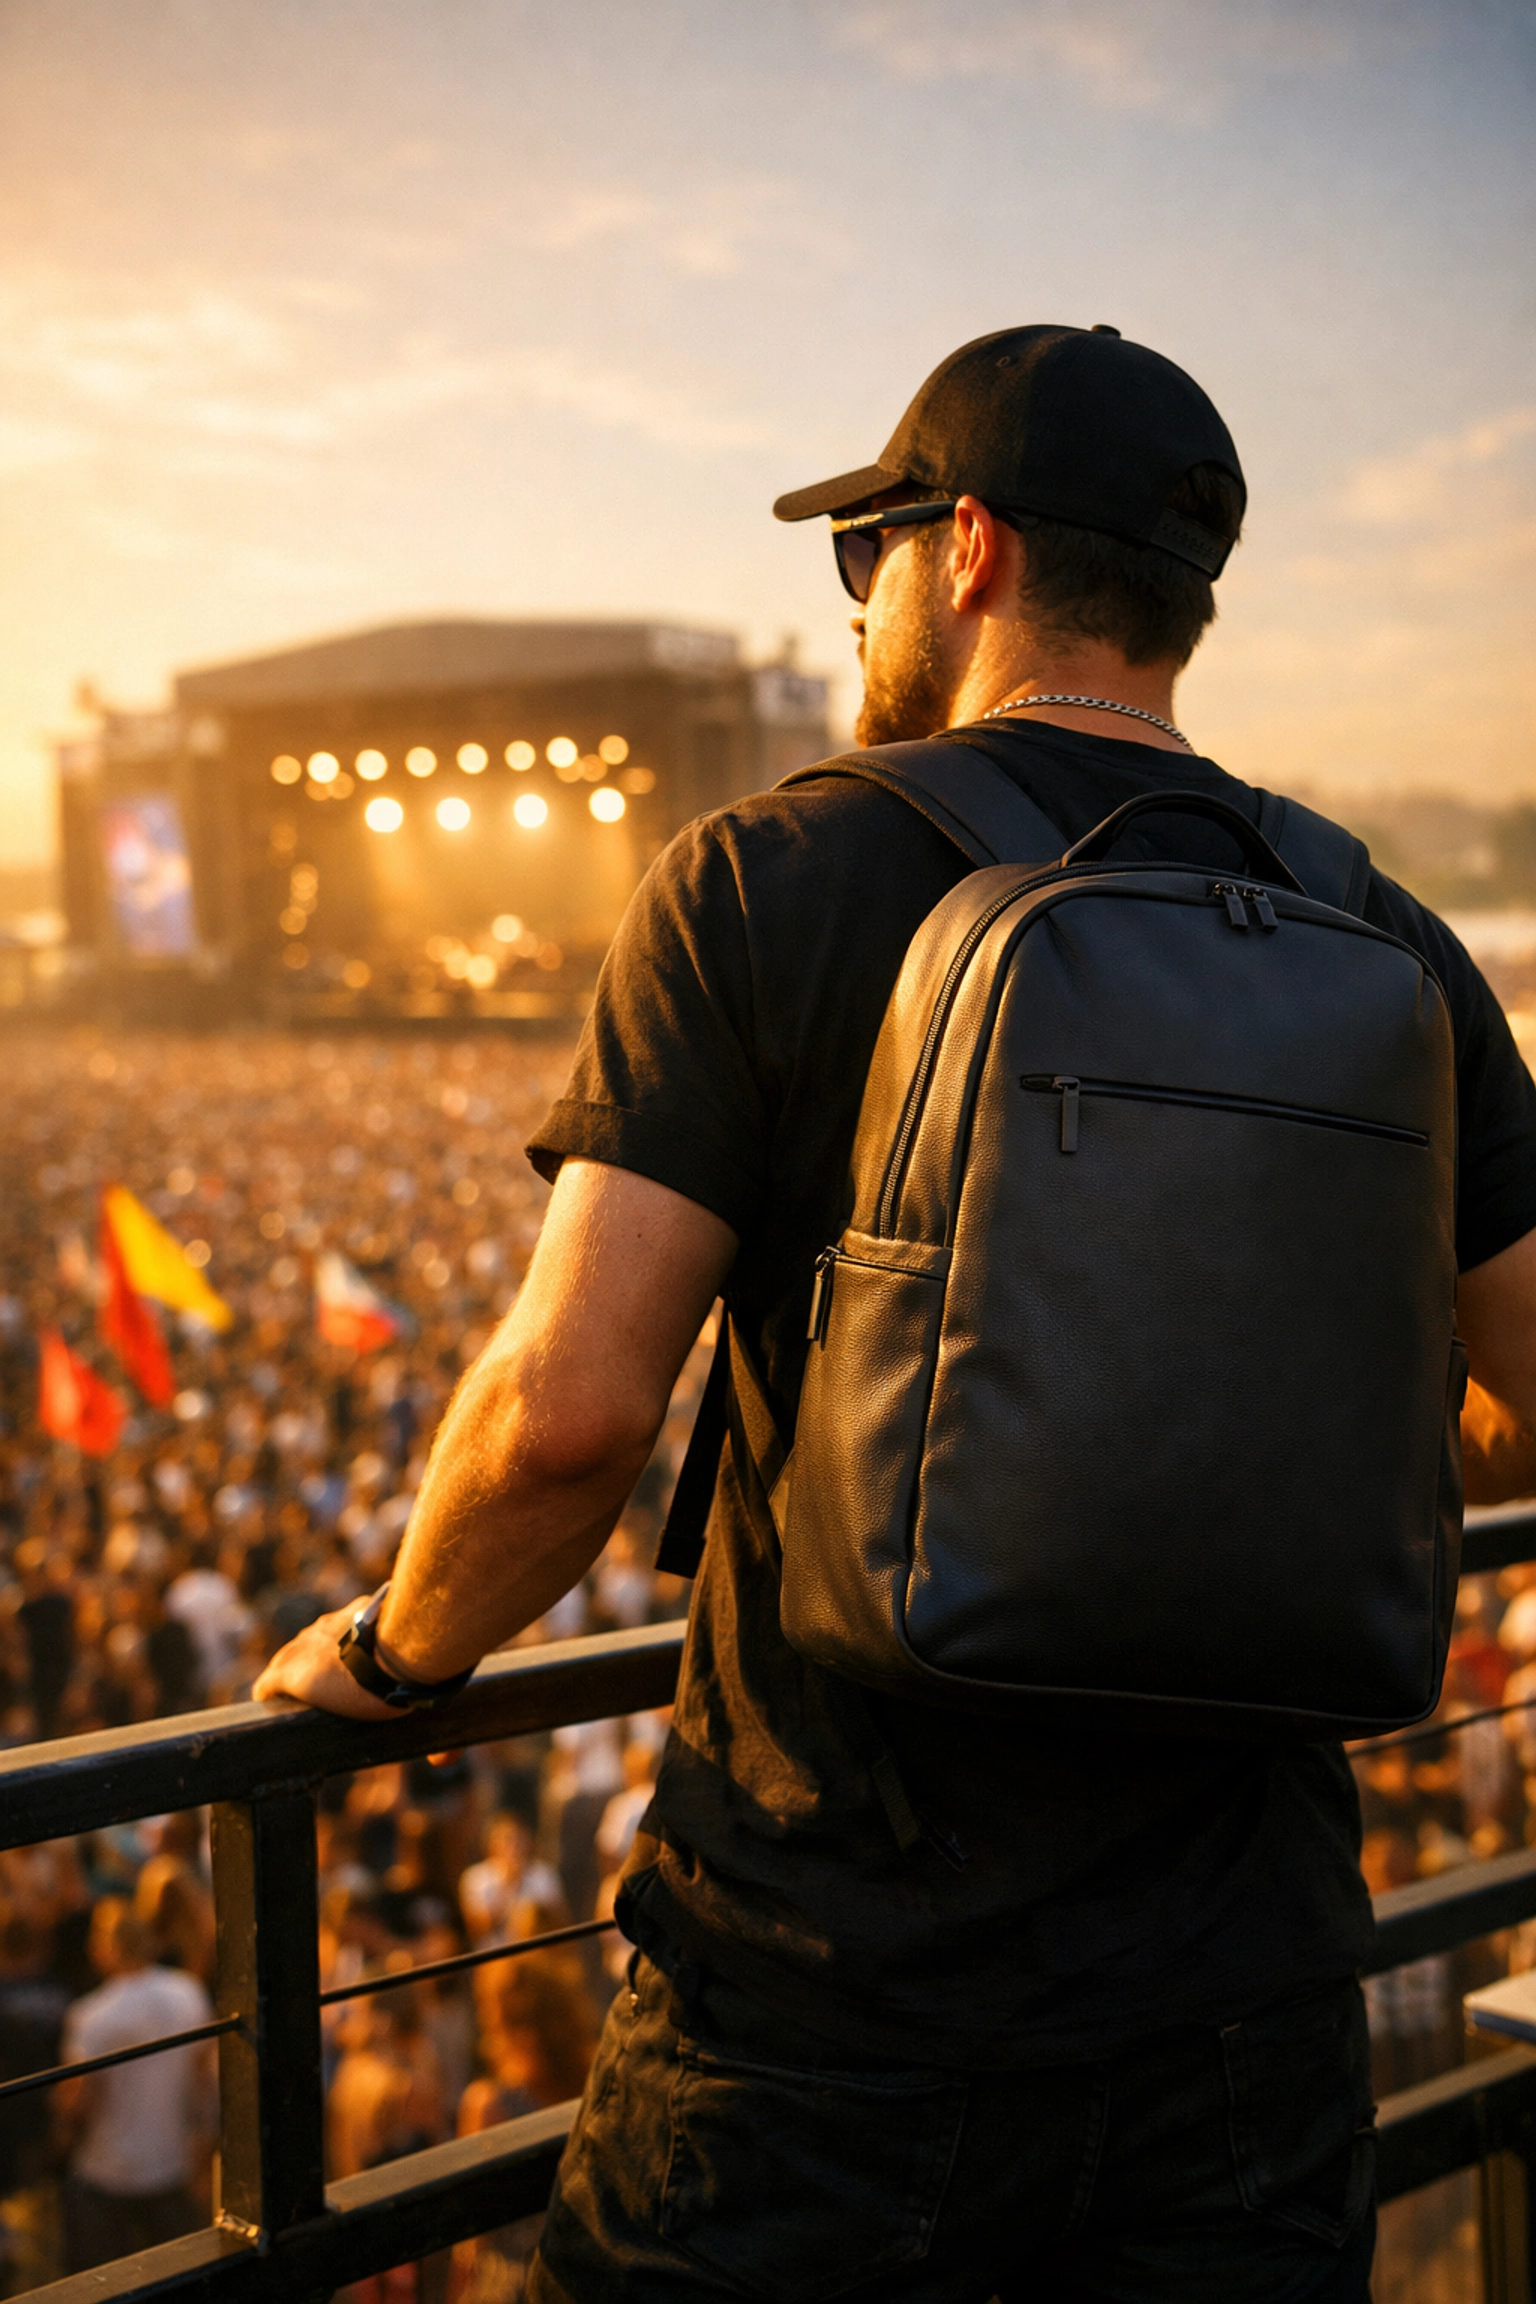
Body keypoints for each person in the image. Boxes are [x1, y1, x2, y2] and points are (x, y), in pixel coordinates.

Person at [257, 322, 1536, 2301]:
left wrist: (400, 1654)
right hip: (1250, 2015)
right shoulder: (1389, 937)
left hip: (826, 2018)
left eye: (869, 564)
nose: (863, 614)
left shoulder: (766, 877)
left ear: (970, 549)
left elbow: (569, 1416)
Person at [56, 1899, 214, 2272]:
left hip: (105, 2171)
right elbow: (202, 2083)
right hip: (171, 2166)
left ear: (107, 1946)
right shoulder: (187, 1992)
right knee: (180, 2279)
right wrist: (203, 2150)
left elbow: (79, 2101)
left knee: (102, 2282)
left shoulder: (91, 2016)